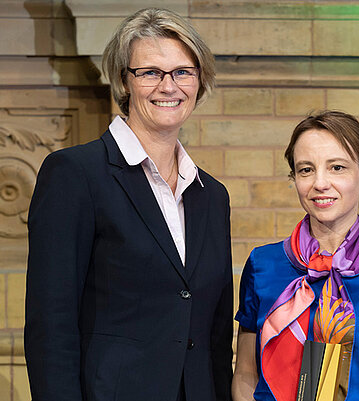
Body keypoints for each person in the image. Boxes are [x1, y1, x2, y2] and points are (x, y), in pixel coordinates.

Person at [24, 7, 232, 401]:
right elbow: (51, 324)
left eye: (183, 72)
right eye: (151, 72)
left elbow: (215, 333)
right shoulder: (75, 174)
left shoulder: (212, 195)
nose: (168, 86)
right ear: (124, 80)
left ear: (199, 81)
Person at [232, 110, 359, 401]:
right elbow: (246, 375)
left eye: (337, 167)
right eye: (306, 169)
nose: (320, 183)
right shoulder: (262, 265)